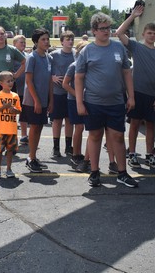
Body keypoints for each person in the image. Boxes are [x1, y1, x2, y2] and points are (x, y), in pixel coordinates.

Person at [75, 12, 137, 188]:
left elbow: (127, 73)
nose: (106, 32)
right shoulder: (87, 51)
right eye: (102, 29)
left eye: (108, 28)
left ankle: (122, 173)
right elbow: (78, 78)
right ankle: (94, 172)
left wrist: (131, 96)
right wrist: (79, 102)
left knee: (118, 136)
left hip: (116, 101)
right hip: (93, 102)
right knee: (95, 135)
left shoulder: (118, 48)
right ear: (94, 31)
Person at [115, 1, 155, 168]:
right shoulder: (137, 47)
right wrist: (133, 16)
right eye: (149, 33)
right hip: (137, 93)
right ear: (144, 34)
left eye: (154, 33)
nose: (152, 35)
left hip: (153, 95)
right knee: (135, 124)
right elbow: (119, 32)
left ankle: (150, 154)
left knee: (151, 125)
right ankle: (132, 153)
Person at [21, 28, 53, 173]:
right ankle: (31, 158)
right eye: (43, 39)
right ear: (36, 42)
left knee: (39, 127)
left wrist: (50, 100)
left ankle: (33, 156)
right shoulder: (32, 57)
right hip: (32, 100)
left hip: (44, 99)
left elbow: (50, 82)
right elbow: (29, 80)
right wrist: (37, 101)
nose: (46, 42)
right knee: (34, 128)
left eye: (47, 39)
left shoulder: (48, 57)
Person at [62, 40, 89, 171]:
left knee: (82, 128)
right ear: (78, 51)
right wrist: (78, 95)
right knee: (78, 127)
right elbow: (65, 84)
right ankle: (75, 153)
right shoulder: (74, 65)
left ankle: (78, 153)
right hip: (73, 100)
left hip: (87, 100)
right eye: (83, 49)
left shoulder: (89, 65)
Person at [49, 30, 75, 157]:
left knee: (70, 120)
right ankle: (56, 147)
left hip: (71, 92)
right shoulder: (54, 55)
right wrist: (52, 77)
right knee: (57, 120)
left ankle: (68, 146)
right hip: (57, 92)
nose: (70, 41)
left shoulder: (76, 55)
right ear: (62, 42)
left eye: (72, 39)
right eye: (68, 39)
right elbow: (46, 69)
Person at [0, 71, 21, 179]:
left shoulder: (15, 96)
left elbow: (19, 111)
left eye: (12, 80)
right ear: (1, 83)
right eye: (8, 81)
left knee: (10, 150)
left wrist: (14, 110)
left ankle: (9, 169)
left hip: (12, 129)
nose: (11, 83)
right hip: (1, 129)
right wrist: (5, 107)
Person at [11, 34, 29, 144]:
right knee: (12, 112)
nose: (23, 44)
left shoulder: (27, 55)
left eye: (24, 42)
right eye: (21, 42)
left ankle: (24, 135)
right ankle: (12, 135)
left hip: (25, 88)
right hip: (13, 88)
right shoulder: (11, 57)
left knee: (23, 112)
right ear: (14, 44)